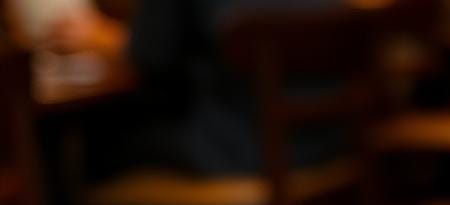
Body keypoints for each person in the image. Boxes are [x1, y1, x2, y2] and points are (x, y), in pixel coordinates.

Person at [40, 0, 344, 176]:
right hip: (330, 137)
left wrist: (98, 35)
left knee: (97, 144)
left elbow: (148, 53)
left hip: (247, 149)